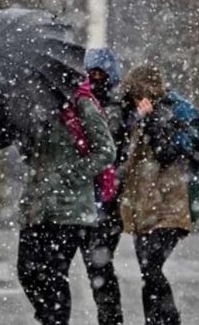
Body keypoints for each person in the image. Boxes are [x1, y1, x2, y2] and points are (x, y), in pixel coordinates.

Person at [118, 62, 199, 325]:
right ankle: (156, 321)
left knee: (151, 268)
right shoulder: (135, 115)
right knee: (147, 271)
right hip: (145, 206)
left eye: (134, 94)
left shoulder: (168, 113)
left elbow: (167, 153)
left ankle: (168, 320)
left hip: (171, 205)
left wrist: (151, 120)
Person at [16, 77, 116, 325]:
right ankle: (50, 317)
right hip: (36, 206)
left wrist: (72, 175)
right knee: (27, 271)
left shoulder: (80, 104)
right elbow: (32, 156)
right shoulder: (33, 106)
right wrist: (26, 135)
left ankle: (55, 319)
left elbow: (106, 150)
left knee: (54, 275)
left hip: (70, 209)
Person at [80, 47, 126, 325]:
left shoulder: (119, 107)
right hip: (87, 197)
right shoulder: (81, 103)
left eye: (101, 73)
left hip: (107, 199)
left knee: (99, 266)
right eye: (91, 73)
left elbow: (116, 148)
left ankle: (110, 320)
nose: (96, 79)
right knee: (96, 266)